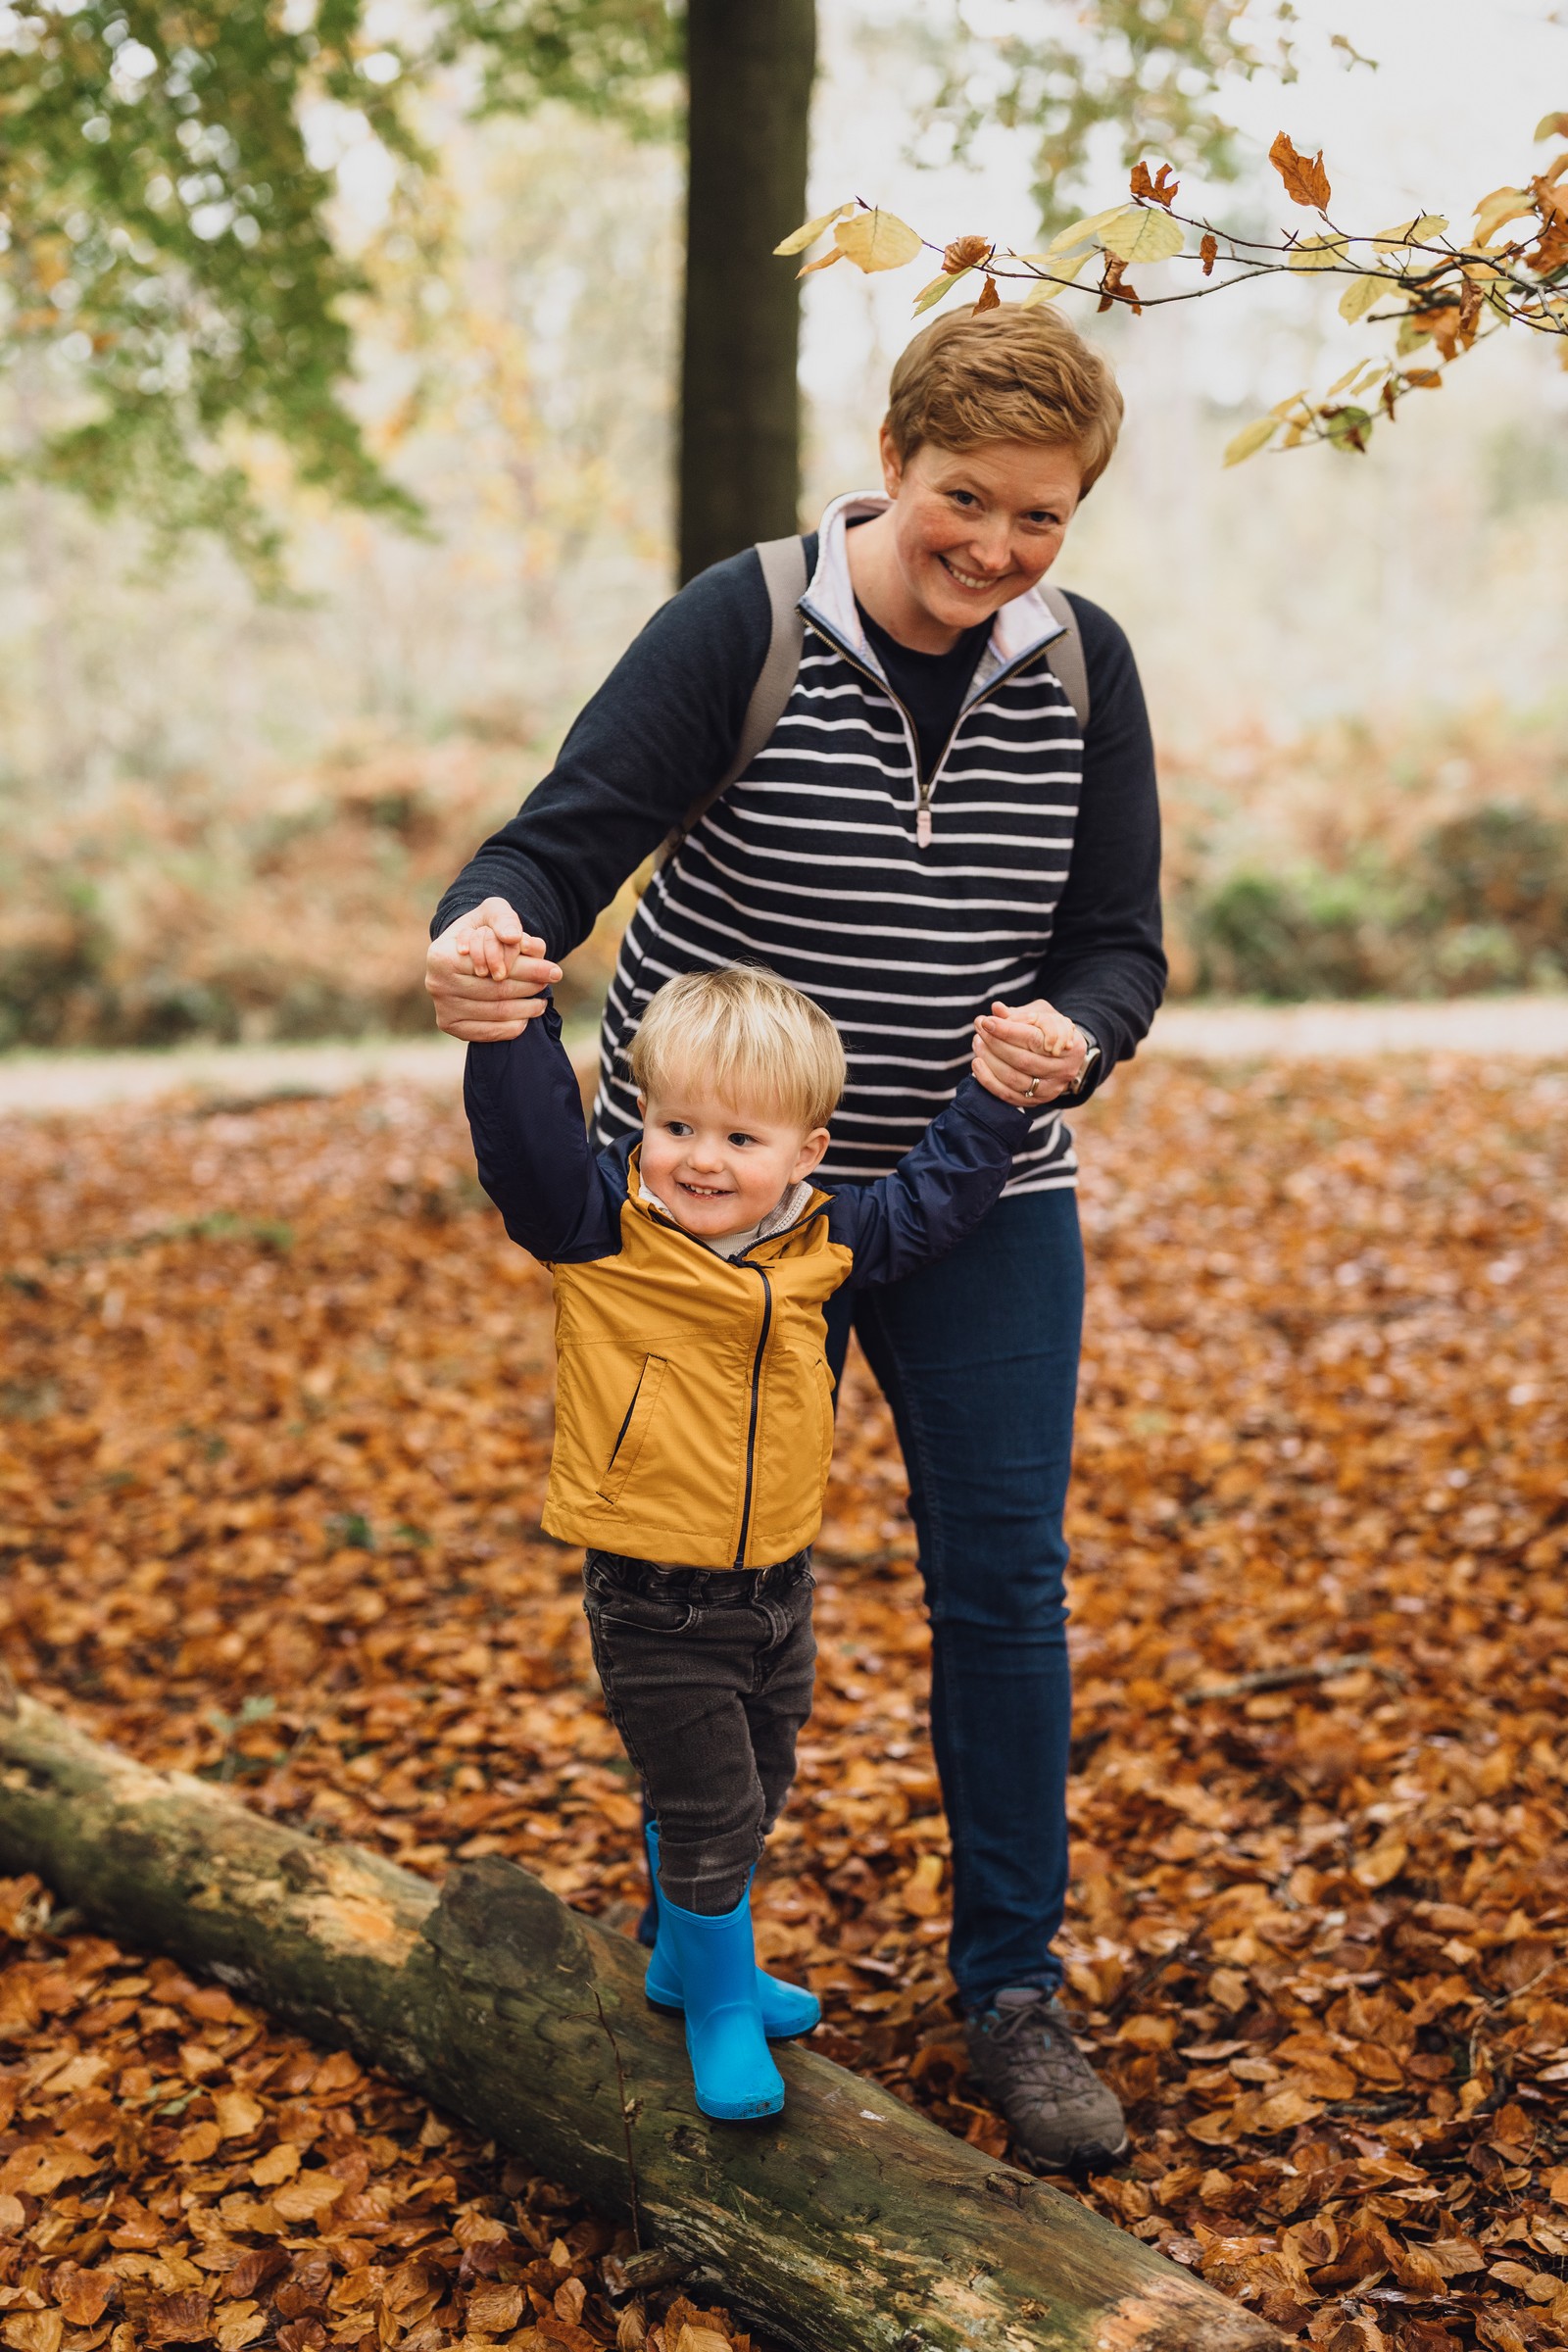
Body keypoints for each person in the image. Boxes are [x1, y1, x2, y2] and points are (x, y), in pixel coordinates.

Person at [428, 303, 1165, 2169]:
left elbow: (1119, 941)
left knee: (1003, 1583)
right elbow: (558, 845)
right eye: (963, 501)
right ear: (892, 458)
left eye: (1042, 519)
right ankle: (704, 1943)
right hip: (724, 1213)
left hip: (982, 1188)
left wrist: (1079, 1031)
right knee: (696, 1578)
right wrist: (486, 930)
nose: (996, 550)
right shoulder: (745, 626)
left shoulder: (1084, 670)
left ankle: (1011, 1993)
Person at [465, 961, 1036, 2121]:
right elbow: (528, 1141)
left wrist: (996, 1101)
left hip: (778, 1589)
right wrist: (513, 1025)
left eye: (739, 1135)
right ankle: (717, 2006)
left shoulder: (825, 1242)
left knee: (760, 1781)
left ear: (807, 1152)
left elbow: (934, 1199)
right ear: (641, 1119)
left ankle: (685, 1958)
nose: (702, 1159)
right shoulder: (601, 1230)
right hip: (651, 1599)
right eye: (675, 1124)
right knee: (711, 1811)